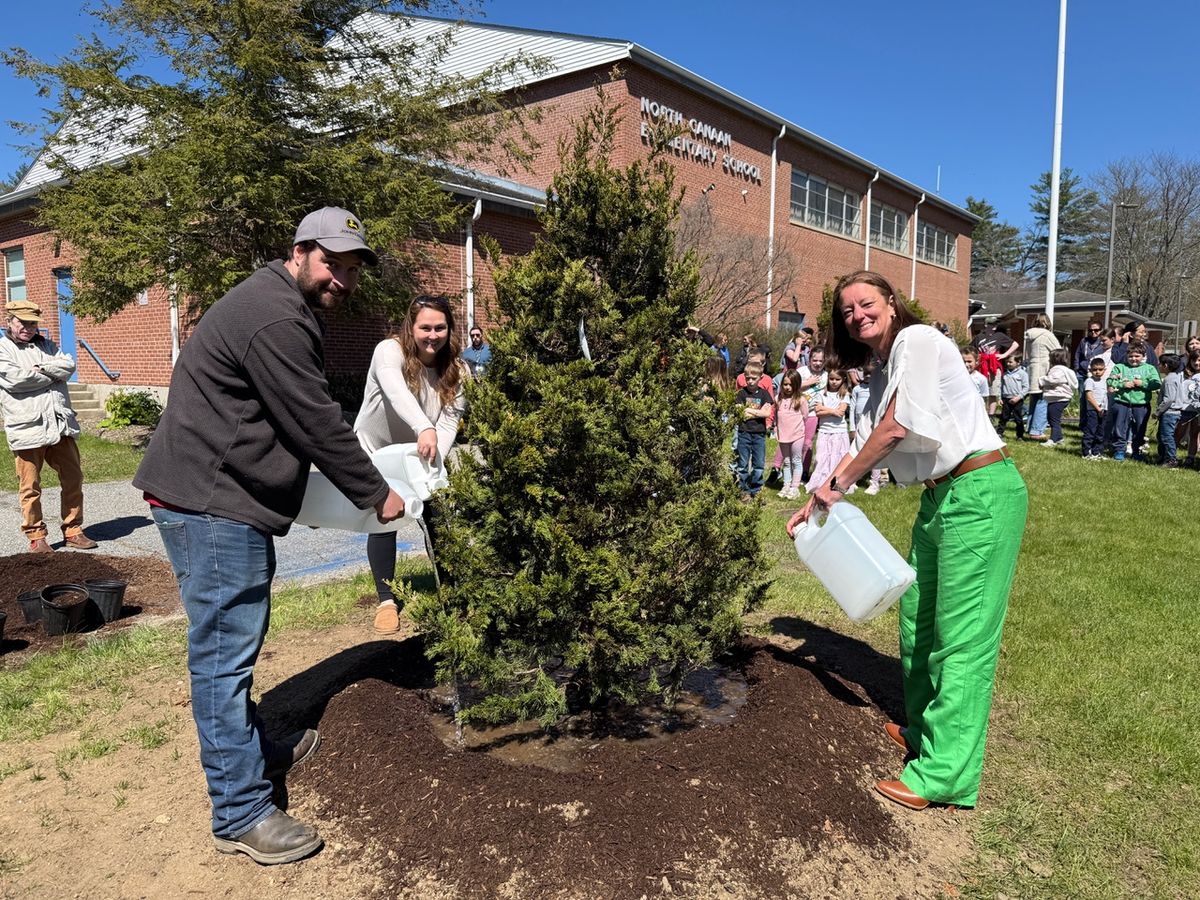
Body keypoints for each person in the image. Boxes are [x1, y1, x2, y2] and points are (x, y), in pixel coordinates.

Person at [133, 207, 407, 865]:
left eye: (350, 269)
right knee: (224, 653)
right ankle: (240, 811)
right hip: (211, 502)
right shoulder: (279, 316)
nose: (341, 278)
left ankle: (250, 752)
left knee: (234, 642)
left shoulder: (275, 302)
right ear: (300, 251)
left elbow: (296, 414)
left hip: (210, 492)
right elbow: (315, 422)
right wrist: (380, 493)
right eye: (331, 263)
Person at [787, 270, 1026, 811]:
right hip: (940, 498)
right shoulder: (883, 368)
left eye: (865, 303)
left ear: (891, 304)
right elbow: (868, 440)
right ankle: (924, 732)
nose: (857, 316)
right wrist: (818, 498)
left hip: (979, 489)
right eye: (846, 311)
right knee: (918, 620)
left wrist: (837, 488)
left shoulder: (918, 340)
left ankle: (944, 773)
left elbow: (895, 429)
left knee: (960, 637)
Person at [356, 295, 467, 633]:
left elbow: (450, 420)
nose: (432, 335)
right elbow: (395, 392)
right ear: (410, 326)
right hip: (378, 451)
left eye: (440, 328)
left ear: (449, 329)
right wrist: (424, 427)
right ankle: (387, 601)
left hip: (421, 453)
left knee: (438, 519)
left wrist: (432, 463)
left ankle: (453, 594)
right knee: (385, 519)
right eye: (425, 327)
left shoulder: (456, 369)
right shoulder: (388, 352)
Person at [0, 300, 99, 552]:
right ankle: (36, 537)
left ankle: (73, 530)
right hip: (28, 427)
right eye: (22, 322)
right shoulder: (3, 349)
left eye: (32, 323)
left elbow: (69, 366)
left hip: (60, 424)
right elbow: (16, 380)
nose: (28, 327)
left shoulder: (48, 345)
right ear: (9, 321)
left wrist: (40, 368)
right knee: (30, 486)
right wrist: (52, 374)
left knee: (73, 478)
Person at [1106, 340, 1161, 461]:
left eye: (1137, 356)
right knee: (1119, 427)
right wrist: (1122, 384)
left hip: (1141, 405)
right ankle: (1119, 450)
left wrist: (1143, 383)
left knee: (1139, 428)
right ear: (1126, 356)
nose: (1133, 359)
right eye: (1131, 356)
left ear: (1143, 356)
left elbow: (1157, 383)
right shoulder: (1120, 367)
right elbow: (1110, 381)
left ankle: (1137, 450)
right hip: (1122, 402)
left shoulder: (1149, 368)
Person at [804, 368, 852, 495]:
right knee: (821, 457)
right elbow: (818, 413)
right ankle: (820, 482)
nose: (834, 382)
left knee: (837, 458)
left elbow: (841, 412)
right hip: (824, 431)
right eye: (831, 379)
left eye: (837, 379)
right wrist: (832, 411)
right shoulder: (822, 394)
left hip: (839, 431)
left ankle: (837, 483)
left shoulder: (844, 394)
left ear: (843, 380)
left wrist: (826, 409)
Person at [734, 356, 772, 499]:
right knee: (743, 463)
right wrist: (758, 413)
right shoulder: (741, 393)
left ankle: (756, 489)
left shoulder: (764, 394)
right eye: (748, 378)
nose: (750, 381)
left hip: (759, 434)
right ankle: (743, 489)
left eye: (753, 378)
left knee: (758, 463)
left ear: (760, 378)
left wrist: (749, 411)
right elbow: (740, 413)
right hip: (744, 432)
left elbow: (767, 412)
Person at [849, 361, 887, 495]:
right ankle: (852, 481)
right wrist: (852, 428)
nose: (868, 377)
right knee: (855, 453)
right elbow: (852, 409)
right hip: (859, 427)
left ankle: (874, 483)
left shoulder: (877, 390)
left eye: (871, 374)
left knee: (873, 455)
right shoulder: (857, 389)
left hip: (873, 428)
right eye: (866, 374)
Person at [1023, 313, 1061, 440]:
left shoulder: (1029, 335)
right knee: (1043, 399)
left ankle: (1030, 427)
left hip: (1032, 368)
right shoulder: (1047, 335)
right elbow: (1058, 351)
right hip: (1043, 368)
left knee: (1034, 399)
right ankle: (1037, 430)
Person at [774, 370, 808, 499]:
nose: (788, 387)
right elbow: (777, 416)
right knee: (786, 461)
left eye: (791, 385)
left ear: (797, 385)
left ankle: (795, 487)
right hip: (783, 435)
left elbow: (805, 416)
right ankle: (786, 485)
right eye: (785, 384)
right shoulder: (778, 399)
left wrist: (797, 428)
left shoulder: (801, 400)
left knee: (796, 460)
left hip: (797, 435)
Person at [971, 322, 1017, 417]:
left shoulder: (999, 336)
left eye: (994, 325)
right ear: (986, 325)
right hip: (982, 367)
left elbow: (1015, 344)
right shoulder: (979, 337)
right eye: (990, 324)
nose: (992, 327)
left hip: (994, 367)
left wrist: (1004, 355)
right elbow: (971, 350)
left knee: (993, 392)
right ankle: (981, 413)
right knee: (980, 392)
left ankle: (991, 416)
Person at [796, 347, 828, 479]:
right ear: (809, 360)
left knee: (807, 443)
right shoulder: (801, 371)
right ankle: (791, 468)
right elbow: (791, 385)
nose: (818, 363)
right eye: (815, 360)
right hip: (797, 412)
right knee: (795, 442)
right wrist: (809, 382)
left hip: (813, 414)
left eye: (821, 361)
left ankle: (804, 470)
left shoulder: (826, 375)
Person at [1039, 348, 1076, 446]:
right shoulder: (1063, 370)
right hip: (1057, 398)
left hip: (1059, 398)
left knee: (1054, 419)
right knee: (1052, 418)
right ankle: (1059, 438)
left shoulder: (1059, 370)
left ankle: (1053, 440)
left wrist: (1041, 380)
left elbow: (1053, 380)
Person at [1154, 354, 1184, 468]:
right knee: (1161, 436)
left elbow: (1169, 399)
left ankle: (1171, 459)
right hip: (1173, 412)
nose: (1158, 365)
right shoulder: (1176, 377)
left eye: (1160, 363)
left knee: (1166, 436)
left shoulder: (1169, 379)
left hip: (1169, 412)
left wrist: (1158, 412)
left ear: (1165, 366)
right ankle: (1163, 457)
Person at [996, 353, 1029, 441]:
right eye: (1007, 362)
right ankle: (999, 433)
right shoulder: (1005, 374)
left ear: (1018, 362)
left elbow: (1026, 388)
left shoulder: (1022, 374)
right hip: (1006, 399)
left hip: (1017, 399)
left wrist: (1019, 397)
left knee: (1018, 418)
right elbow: (1001, 386)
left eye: (1010, 362)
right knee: (1004, 417)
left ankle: (1020, 435)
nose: (1008, 364)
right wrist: (999, 398)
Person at [1080, 357, 1109, 460]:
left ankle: (1097, 452)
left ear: (1104, 370)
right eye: (1095, 369)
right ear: (1090, 370)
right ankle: (1086, 453)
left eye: (1100, 369)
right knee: (1091, 431)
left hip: (1103, 409)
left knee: (1100, 432)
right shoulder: (1089, 381)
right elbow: (1089, 396)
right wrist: (1098, 408)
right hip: (1093, 410)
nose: (1097, 372)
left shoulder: (1104, 381)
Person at [1073, 321, 1106, 399]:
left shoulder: (1103, 342)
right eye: (1090, 330)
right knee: (1082, 397)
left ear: (1101, 330)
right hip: (1082, 373)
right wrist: (1077, 368)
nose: (1093, 332)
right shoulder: (1084, 341)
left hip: (1096, 373)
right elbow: (1077, 354)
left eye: (1096, 330)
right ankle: (1083, 411)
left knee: (1095, 396)